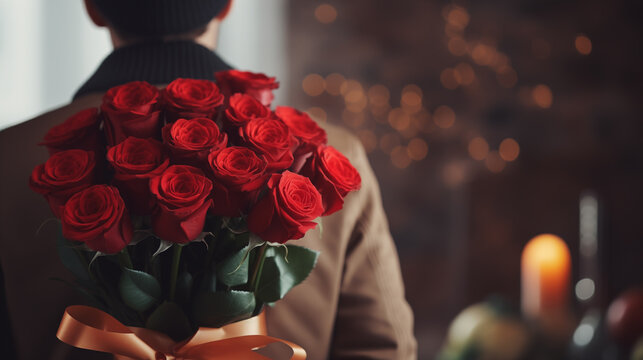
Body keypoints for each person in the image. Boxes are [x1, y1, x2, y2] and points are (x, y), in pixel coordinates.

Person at [0, 1, 417, 359]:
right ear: (226, 5)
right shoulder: (334, 152)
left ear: (92, 8)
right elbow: (383, 348)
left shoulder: (9, 155)